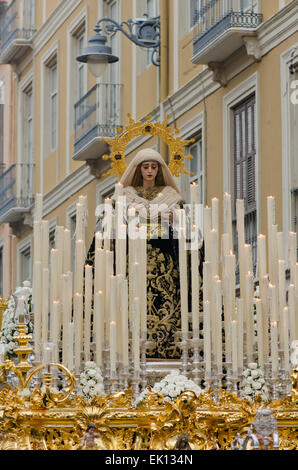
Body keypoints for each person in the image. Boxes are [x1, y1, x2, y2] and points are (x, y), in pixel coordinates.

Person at [86, 148, 204, 360]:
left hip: (165, 265)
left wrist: (173, 218)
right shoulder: (125, 197)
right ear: (138, 169)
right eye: (145, 167)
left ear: (159, 169)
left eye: (153, 167)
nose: (149, 171)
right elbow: (108, 228)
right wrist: (127, 215)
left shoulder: (171, 197)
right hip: (132, 263)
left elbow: (189, 230)